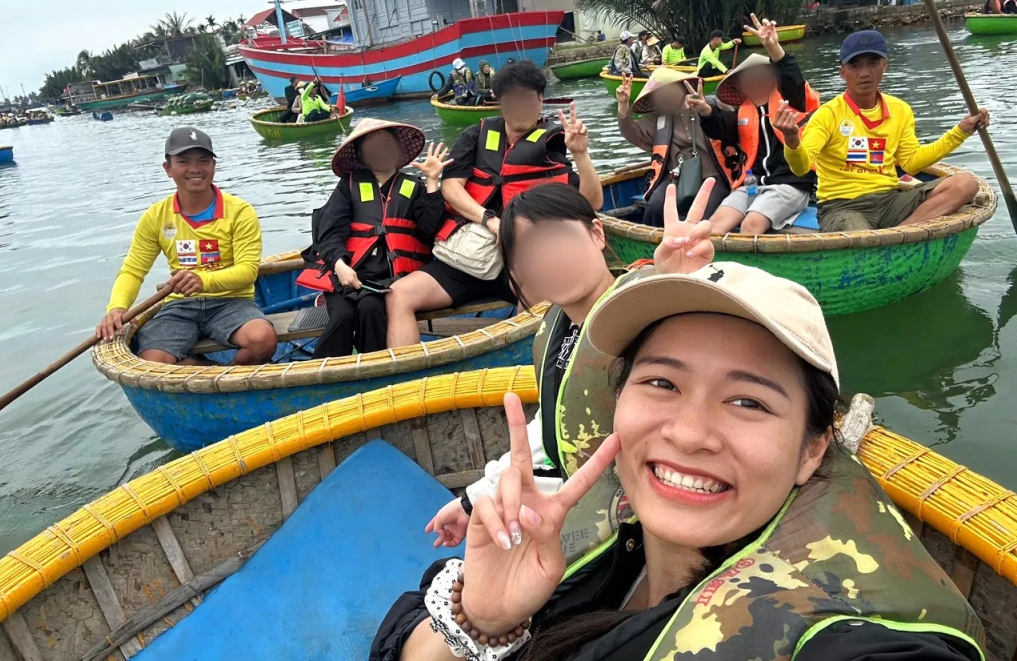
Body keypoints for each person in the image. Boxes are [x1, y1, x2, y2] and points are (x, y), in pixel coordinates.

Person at [372, 261, 986, 661]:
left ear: (812, 450)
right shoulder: (596, 519)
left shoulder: (849, 640)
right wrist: (480, 619)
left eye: (748, 401)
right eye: (662, 383)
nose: (689, 434)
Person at [425, 180, 717, 549]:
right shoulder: (553, 330)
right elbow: (556, 426)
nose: (549, 258)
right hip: (577, 499)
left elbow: (700, 356)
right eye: (529, 252)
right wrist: (473, 499)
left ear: (597, 234)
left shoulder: (648, 308)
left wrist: (683, 284)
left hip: (648, 518)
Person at [384, 59, 604, 348]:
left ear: (539, 101)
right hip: (467, 255)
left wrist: (580, 154)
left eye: (527, 97)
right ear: (501, 103)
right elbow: (451, 187)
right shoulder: (476, 136)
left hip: (518, 260)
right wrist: (490, 220)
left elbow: (592, 202)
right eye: (512, 99)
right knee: (397, 295)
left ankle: (527, 361)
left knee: (541, 292)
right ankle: (407, 374)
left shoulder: (553, 143)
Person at [95, 128, 278, 365]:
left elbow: (247, 272)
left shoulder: (240, 212)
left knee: (262, 338)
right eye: (183, 162)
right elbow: (133, 270)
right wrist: (117, 308)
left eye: (203, 161)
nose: (195, 169)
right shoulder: (155, 216)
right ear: (168, 169)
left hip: (232, 302)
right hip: (179, 305)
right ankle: (204, 369)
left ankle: (215, 373)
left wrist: (202, 280)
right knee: (152, 363)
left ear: (213, 166)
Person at [777, 30, 988, 232]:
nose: (865, 73)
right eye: (855, 65)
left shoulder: (900, 109)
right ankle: (893, 238)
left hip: (889, 200)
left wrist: (960, 132)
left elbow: (911, 162)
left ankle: (900, 233)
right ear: (843, 73)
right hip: (842, 205)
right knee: (859, 235)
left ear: (884, 65)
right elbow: (801, 167)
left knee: (965, 184)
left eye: (873, 63)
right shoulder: (827, 114)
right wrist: (792, 140)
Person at [300, 119, 451, 357]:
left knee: (371, 307)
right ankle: (321, 370)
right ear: (362, 156)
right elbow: (330, 234)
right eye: (373, 147)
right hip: (347, 275)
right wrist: (340, 266)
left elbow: (430, 228)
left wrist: (433, 182)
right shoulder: (348, 186)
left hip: (393, 280)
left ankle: (374, 368)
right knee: (342, 315)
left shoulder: (413, 185)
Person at [685, 14, 819, 235]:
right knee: (714, 226)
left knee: (750, 225)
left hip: (790, 185)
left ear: (773, 77)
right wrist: (705, 111)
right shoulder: (743, 112)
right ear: (740, 86)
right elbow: (721, 127)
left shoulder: (793, 100)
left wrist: (773, 47)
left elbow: (792, 76)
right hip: (752, 185)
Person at [617, 67, 729, 225]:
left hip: (715, 175)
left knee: (703, 213)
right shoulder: (658, 119)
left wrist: (707, 111)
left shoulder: (708, 105)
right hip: (675, 177)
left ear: (683, 88)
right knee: (655, 207)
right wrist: (623, 105)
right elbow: (632, 132)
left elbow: (731, 124)